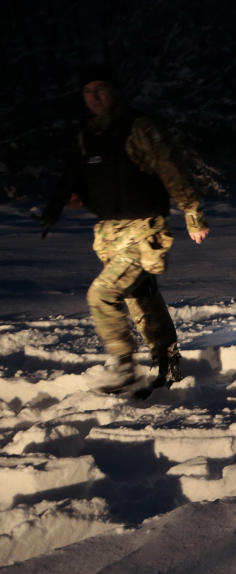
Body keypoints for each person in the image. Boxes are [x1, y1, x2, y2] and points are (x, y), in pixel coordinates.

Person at [37, 63, 210, 393]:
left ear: (114, 90)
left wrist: (192, 213)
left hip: (144, 232)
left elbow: (168, 168)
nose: (94, 97)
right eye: (88, 91)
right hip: (110, 235)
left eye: (100, 89)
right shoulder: (89, 134)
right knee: (140, 297)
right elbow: (89, 181)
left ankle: (125, 368)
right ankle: (167, 360)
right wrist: (66, 203)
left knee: (102, 295)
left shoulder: (138, 127)